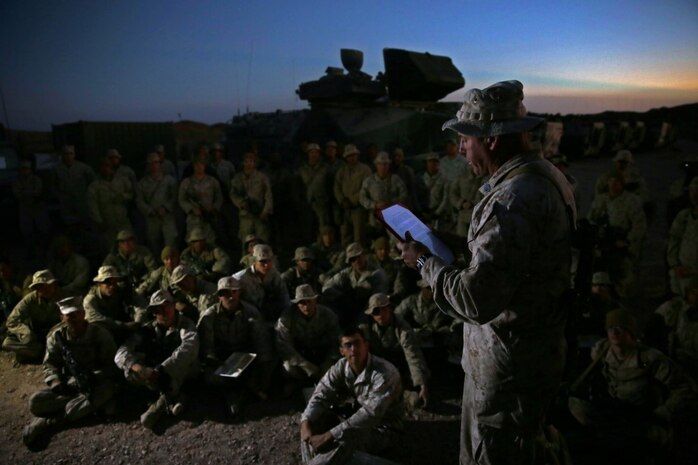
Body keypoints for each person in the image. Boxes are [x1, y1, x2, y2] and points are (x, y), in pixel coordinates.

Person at [399, 80, 576, 465]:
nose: (461, 148)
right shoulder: (542, 176)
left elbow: (475, 300)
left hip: (507, 371)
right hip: (529, 355)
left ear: (492, 140)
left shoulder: (511, 201)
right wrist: (456, 243)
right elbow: (518, 261)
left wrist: (424, 264)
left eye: (467, 138)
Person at [568, 309, 697, 463]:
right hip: (614, 412)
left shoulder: (648, 358)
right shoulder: (601, 352)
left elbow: (684, 387)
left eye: (620, 328)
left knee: (656, 443)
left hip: (644, 415)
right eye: (610, 328)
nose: (614, 333)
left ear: (631, 333)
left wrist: (664, 412)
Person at [22, 296, 118, 448]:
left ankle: (49, 422)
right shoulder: (56, 336)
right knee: (35, 402)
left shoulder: (99, 334)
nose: (73, 318)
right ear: (62, 317)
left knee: (107, 392)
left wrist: (94, 375)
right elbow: (50, 363)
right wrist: (56, 381)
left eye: (76, 313)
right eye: (68, 315)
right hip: (71, 384)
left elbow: (114, 365)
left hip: (97, 383)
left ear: (83, 313)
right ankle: (77, 407)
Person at [300, 326, 404, 460]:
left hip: (384, 429)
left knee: (339, 442)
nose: (353, 349)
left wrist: (329, 435)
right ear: (341, 351)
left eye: (357, 343)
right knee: (310, 424)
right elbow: (321, 394)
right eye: (348, 345)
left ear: (366, 345)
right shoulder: (341, 366)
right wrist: (305, 422)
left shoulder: (384, 372)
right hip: (354, 419)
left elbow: (370, 414)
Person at [114, 289, 199, 429]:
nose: (164, 312)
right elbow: (121, 353)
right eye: (158, 309)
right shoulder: (148, 329)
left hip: (176, 371)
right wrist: (139, 368)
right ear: (154, 312)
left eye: (166, 306)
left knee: (186, 366)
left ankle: (158, 406)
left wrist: (161, 369)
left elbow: (188, 348)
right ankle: (175, 398)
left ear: (173, 306)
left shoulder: (185, 324)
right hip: (156, 374)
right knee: (130, 371)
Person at [197, 276, 274, 415]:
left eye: (234, 292)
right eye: (226, 293)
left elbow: (261, 341)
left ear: (239, 293)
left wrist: (263, 365)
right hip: (222, 356)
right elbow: (206, 346)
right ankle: (238, 393)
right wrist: (214, 361)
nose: (231, 297)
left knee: (265, 369)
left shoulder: (250, 311)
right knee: (210, 378)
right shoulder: (209, 316)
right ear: (220, 296)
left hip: (245, 355)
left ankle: (245, 390)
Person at [359, 293, 430, 407]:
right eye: (376, 311)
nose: (381, 314)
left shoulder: (402, 327)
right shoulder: (365, 327)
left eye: (384, 310)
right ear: (371, 314)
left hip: (399, 364)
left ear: (390, 309)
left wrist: (422, 385)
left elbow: (412, 354)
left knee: (415, 399)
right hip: (376, 365)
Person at [588, 172, 646, 297]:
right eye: (611, 182)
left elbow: (639, 225)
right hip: (603, 239)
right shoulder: (600, 200)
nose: (614, 186)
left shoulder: (631, 201)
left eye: (617, 183)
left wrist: (628, 240)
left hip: (622, 238)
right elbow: (591, 219)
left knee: (623, 268)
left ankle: (620, 292)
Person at [276, 284, 340, 387]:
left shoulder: (328, 315)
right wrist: (306, 365)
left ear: (315, 301)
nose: (306, 306)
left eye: (309, 301)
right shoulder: (287, 317)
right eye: (302, 302)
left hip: (322, 353)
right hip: (299, 355)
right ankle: (300, 384)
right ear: (297, 304)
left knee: (334, 368)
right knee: (288, 368)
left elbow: (336, 341)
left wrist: (328, 362)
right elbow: (284, 345)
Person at [322, 242, 388, 328]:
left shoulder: (377, 274)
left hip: (370, 310)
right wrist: (341, 297)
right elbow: (326, 287)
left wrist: (362, 317)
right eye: (353, 259)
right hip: (348, 309)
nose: (357, 261)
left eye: (359, 257)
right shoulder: (347, 273)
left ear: (364, 255)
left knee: (362, 326)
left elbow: (378, 301)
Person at [3, 270, 62, 363]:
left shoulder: (65, 295)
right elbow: (12, 320)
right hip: (37, 337)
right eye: (40, 287)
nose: (45, 289)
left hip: (58, 334)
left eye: (48, 285)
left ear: (54, 284)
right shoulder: (30, 299)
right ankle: (41, 352)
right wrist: (26, 332)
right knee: (8, 342)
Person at [233, 244, 290, 324]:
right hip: (247, 315)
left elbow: (284, 296)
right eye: (262, 261)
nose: (266, 265)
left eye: (269, 261)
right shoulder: (240, 278)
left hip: (266, 311)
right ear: (254, 261)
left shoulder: (274, 274)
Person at [135, 152, 179, 254]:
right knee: (153, 243)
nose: (154, 165)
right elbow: (139, 200)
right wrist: (149, 210)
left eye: (156, 162)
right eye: (152, 163)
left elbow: (175, 196)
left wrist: (166, 208)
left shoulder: (169, 180)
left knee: (171, 242)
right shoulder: (142, 183)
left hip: (167, 217)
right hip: (152, 218)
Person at [83, 266, 139, 344]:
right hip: (102, 334)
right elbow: (95, 319)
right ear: (99, 284)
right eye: (108, 283)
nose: (112, 286)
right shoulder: (90, 299)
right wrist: (123, 325)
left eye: (114, 282)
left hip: (119, 329)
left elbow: (139, 302)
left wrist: (138, 320)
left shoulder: (119, 290)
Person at [87, 156, 134, 250]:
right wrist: (99, 221)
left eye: (108, 166)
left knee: (130, 245)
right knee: (111, 249)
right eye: (103, 166)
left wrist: (123, 197)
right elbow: (92, 206)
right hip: (108, 223)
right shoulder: (95, 186)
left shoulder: (122, 180)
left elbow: (132, 193)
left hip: (123, 220)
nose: (106, 168)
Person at [359, 151, 408, 237]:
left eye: (386, 164)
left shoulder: (395, 179)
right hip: (375, 218)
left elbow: (404, 194)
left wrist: (391, 203)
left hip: (393, 217)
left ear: (389, 165)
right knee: (377, 241)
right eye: (380, 164)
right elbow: (362, 197)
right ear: (376, 165)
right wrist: (375, 204)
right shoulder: (369, 181)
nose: (383, 167)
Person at [230, 152, 274, 246]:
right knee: (246, 242)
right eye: (246, 161)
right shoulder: (238, 178)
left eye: (251, 161)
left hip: (260, 213)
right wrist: (241, 203)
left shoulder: (262, 177)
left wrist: (265, 211)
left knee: (263, 241)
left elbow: (268, 195)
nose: (249, 164)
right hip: (245, 215)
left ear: (255, 163)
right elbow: (233, 194)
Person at [178, 156, 223, 245]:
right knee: (193, 241)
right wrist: (191, 208)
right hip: (194, 218)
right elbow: (181, 199)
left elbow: (219, 197)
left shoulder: (212, 181)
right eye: (197, 165)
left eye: (201, 164)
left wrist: (214, 208)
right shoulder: (186, 182)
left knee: (210, 241)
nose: (199, 167)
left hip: (209, 216)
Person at [102, 230, 158, 301]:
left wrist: (145, 283)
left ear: (134, 241)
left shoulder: (143, 252)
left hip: (143, 285)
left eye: (129, 240)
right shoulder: (112, 257)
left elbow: (153, 269)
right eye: (123, 242)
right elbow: (104, 273)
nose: (126, 244)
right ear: (118, 244)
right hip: (120, 287)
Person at [334, 144, 371, 246]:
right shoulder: (342, 170)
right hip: (345, 208)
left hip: (358, 207)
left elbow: (366, 188)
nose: (352, 158)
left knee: (359, 236)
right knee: (345, 234)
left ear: (357, 155)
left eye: (354, 155)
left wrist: (353, 200)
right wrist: (342, 200)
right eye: (349, 156)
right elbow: (337, 186)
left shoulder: (365, 170)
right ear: (346, 158)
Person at [12, 159, 50, 258]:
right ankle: (31, 250)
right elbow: (16, 193)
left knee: (42, 229)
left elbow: (37, 192)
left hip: (37, 207)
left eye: (26, 169)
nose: (25, 171)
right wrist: (28, 193)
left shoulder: (36, 179)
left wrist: (25, 193)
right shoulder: (17, 181)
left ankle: (44, 250)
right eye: (23, 169)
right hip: (24, 208)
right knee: (27, 231)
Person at [667, 176, 698, 296]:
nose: (694, 195)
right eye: (692, 191)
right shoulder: (684, 216)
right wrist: (675, 265)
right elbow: (674, 240)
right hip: (683, 275)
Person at [51, 145, 96, 226]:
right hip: (65, 201)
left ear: (74, 155)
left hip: (81, 200)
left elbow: (93, 181)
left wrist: (88, 194)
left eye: (71, 154)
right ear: (62, 155)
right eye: (66, 154)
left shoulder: (83, 167)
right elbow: (52, 185)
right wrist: (59, 196)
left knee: (84, 222)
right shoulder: (56, 169)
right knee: (68, 223)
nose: (68, 156)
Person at [297, 142, 331, 232]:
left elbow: (330, 185)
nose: (314, 155)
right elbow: (298, 186)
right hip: (307, 201)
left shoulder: (325, 168)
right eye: (312, 152)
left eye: (316, 152)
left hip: (321, 201)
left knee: (323, 225)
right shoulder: (302, 169)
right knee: (308, 226)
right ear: (308, 154)